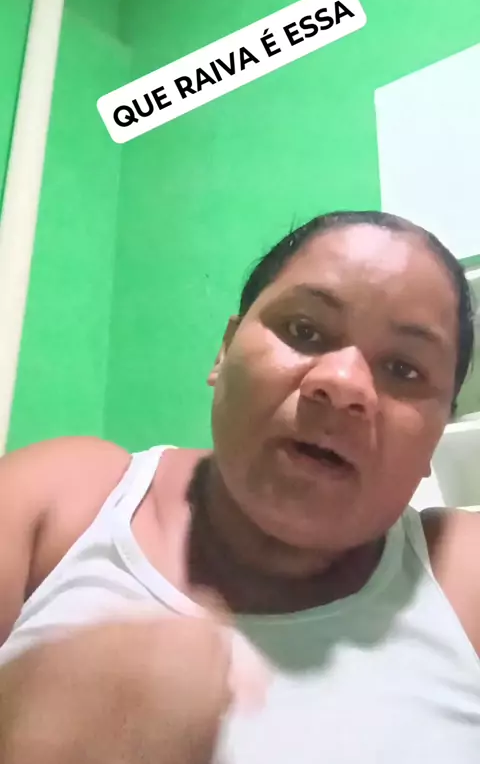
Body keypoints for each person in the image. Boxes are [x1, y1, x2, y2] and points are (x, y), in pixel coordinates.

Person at [0, 209, 479, 764]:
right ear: (225, 350)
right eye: (304, 331)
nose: (341, 383)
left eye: (404, 369)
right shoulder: (64, 499)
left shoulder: (462, 570)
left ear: (438, 432)